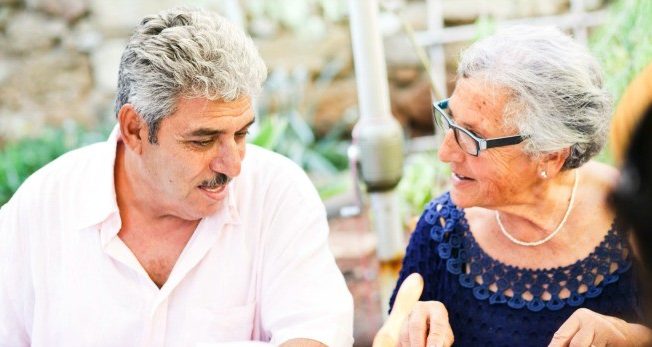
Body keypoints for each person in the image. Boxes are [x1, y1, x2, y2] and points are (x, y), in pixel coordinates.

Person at [0, 7, 353, 347]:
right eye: (203, 140)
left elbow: (317, 328)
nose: (233, 165)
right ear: (135, 129)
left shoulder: (277, 193)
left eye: (241, 134)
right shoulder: (40, 211)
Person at [389, 25, 642, 346]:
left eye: (470, 137)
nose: (445, 152)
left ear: (549, 156)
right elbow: (394, 329)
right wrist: (408, 329)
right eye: (449, 120)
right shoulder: (441, 232)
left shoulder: (636, 214)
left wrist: (631, 338)